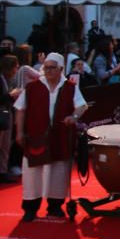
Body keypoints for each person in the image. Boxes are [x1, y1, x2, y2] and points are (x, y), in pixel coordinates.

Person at [13, 53, 87, 221]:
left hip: (60, 136)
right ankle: (30, 208)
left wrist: (74, 117)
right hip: (36, 136)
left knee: (58, 172)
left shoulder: (70, 87)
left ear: (61, 69)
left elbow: (82, 106)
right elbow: (20, 109)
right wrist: (19, 132)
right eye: (46, 67)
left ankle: (55, 206)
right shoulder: (32, 87)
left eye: (52, 67)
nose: (48, 71)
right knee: (33, 173)